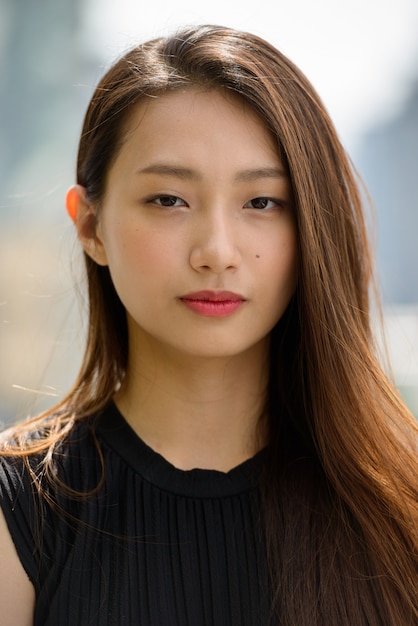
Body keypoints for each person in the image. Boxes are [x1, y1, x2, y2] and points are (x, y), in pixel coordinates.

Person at [0, 24, 417, 626]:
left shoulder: (397, 503)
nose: (217, 251)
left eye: (262, 202)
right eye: (169, 200)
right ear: (90, 227)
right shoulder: (22, 511)